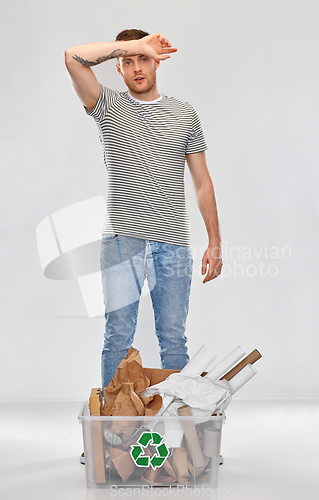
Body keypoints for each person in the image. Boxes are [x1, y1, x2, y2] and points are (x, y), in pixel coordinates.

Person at [64, 30, 223, 393]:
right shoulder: (108, 105)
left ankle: (179, 434)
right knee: (118, 335)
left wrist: (214, 240)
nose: (137, 67)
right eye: (129, 61)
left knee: (173, 340)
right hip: (123, 242)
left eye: (144, 59)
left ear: (157, 63)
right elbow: (73, 56)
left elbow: (202, 182)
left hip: (174, 244)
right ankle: (112, 438)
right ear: (118, 68)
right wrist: (136, 45)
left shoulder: (184, 113)